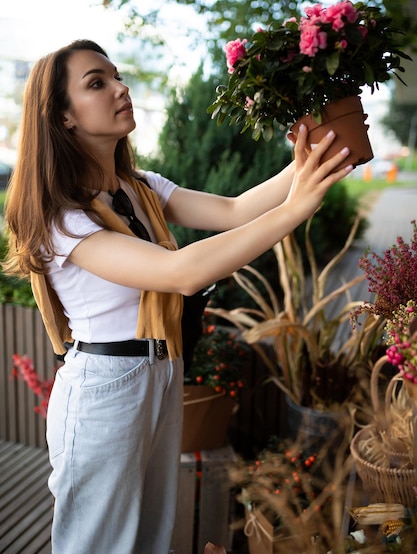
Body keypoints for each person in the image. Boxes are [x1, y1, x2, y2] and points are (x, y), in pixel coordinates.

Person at [3, 39, 353, 554]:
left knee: (149, 539)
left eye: (116, 76)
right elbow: (178, 272)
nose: (120, 88)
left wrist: (309, 161)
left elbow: (234, 211)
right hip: (105, 388)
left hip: (161, 373)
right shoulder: (60, 218)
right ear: (63, 117)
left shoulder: (138, 186)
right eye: (96, 83)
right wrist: (295, 209)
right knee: (96, 545)